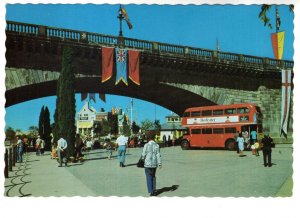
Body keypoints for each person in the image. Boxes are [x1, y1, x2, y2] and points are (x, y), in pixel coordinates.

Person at [141, 132, 162, 196]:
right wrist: (159, 163)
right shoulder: (157, 145)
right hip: (154, 164)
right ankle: (154, 190)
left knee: (148, 177)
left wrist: (142, 158)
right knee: (153, 176)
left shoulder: (146, 145)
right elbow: (158, 155)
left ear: (148, 138)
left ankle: (151, 191)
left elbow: (143, 154)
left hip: (147, 164)